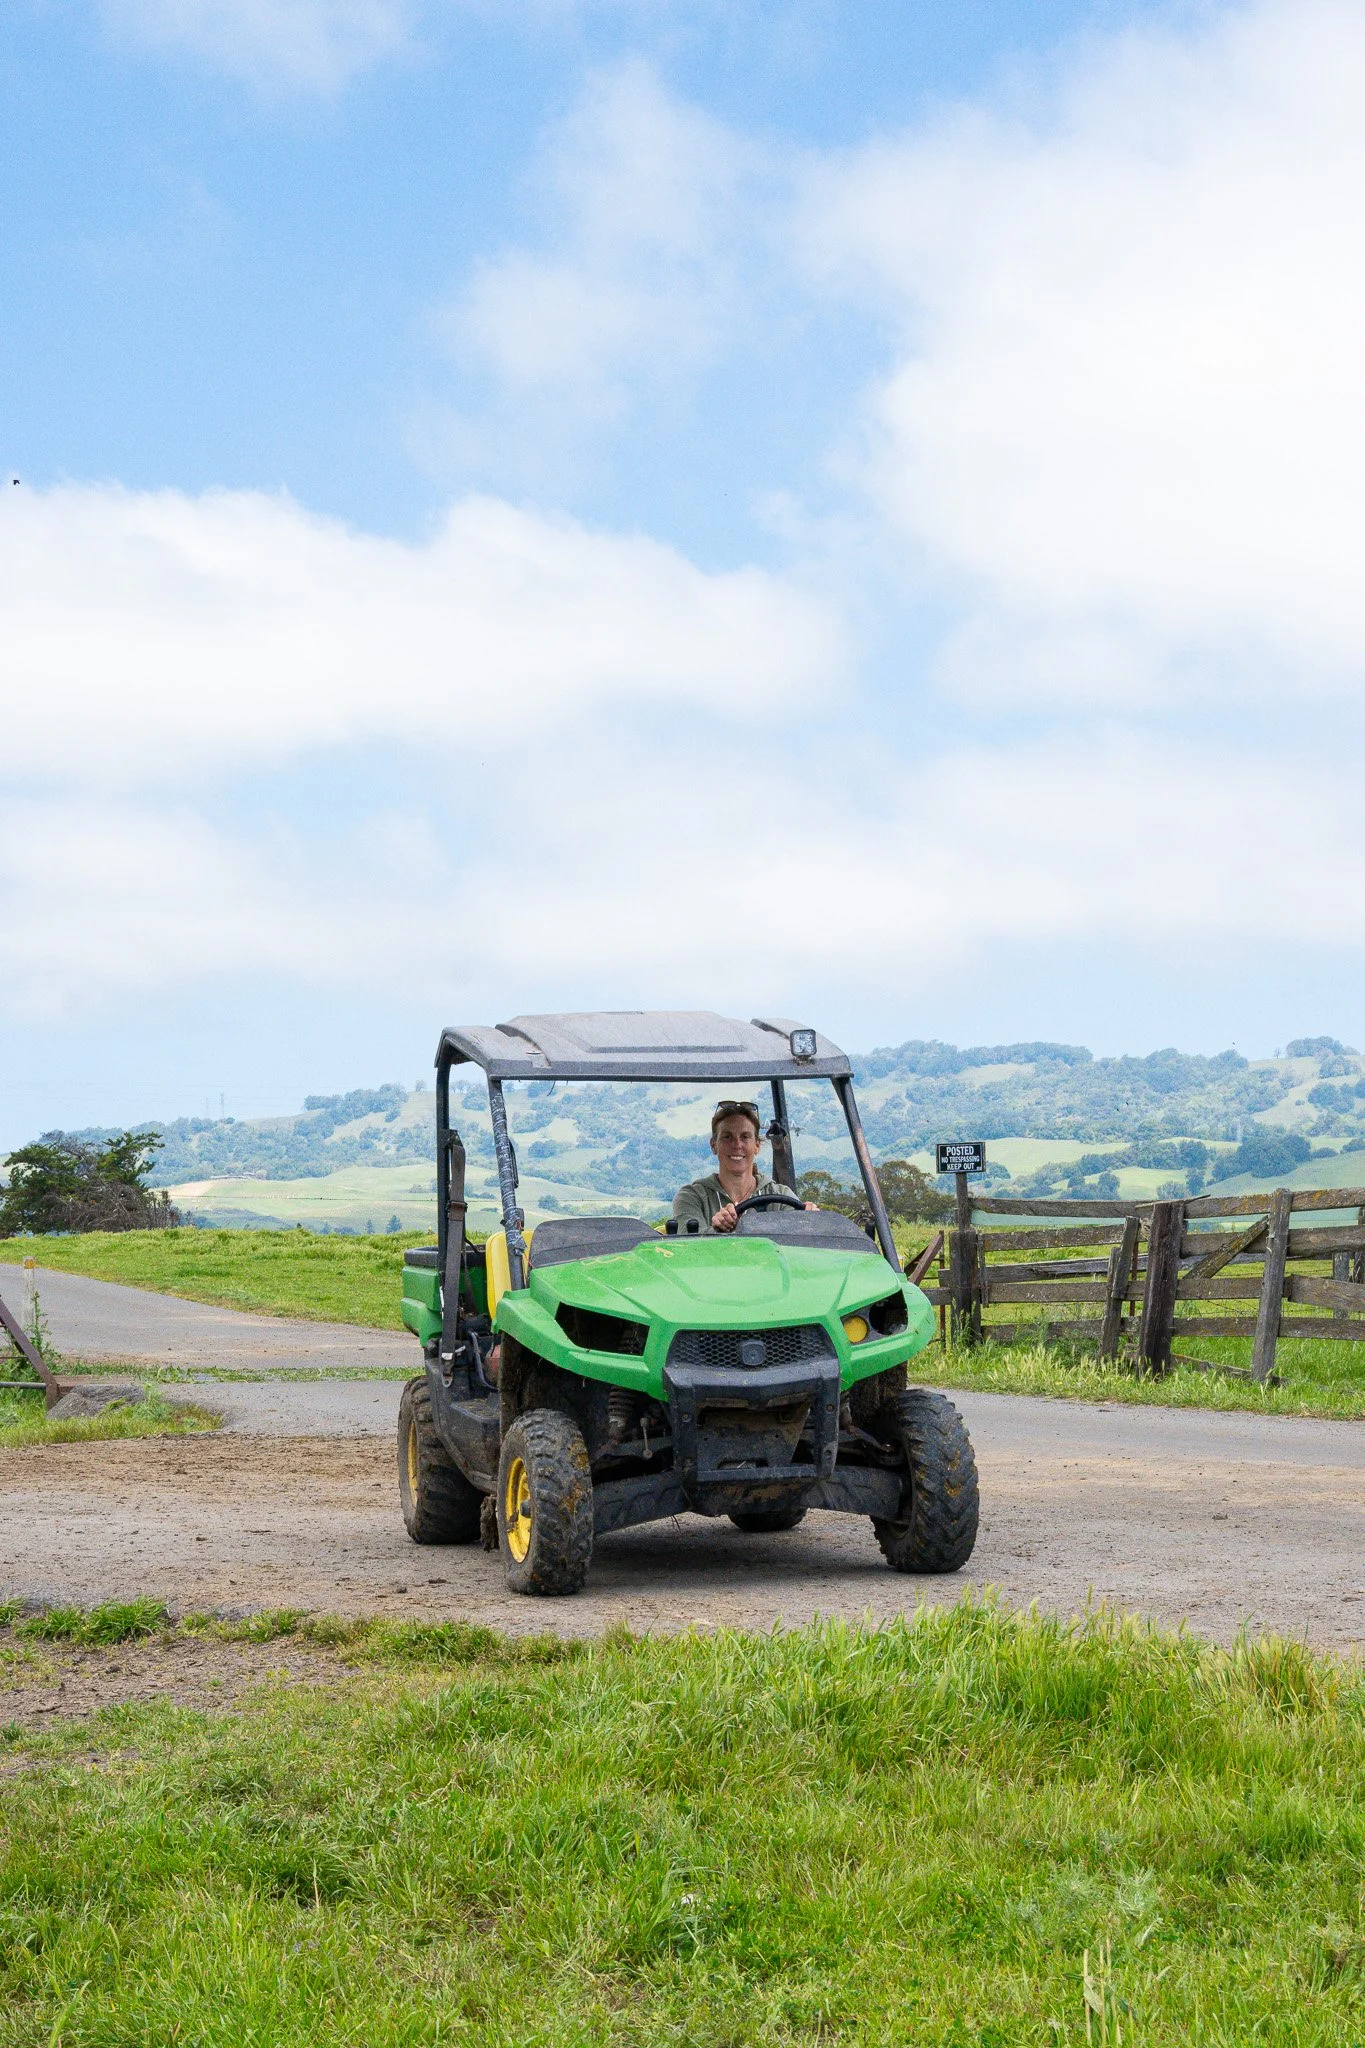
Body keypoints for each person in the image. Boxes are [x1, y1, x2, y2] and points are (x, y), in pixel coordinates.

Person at [673, 1100, 814, 1234]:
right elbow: (688, 1245)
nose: (737, 1145)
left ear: (757, 1145)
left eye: (745, 1137)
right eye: (727, 1137)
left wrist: (811, 1220)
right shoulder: (692, 1197)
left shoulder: (779, 1195)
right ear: (714, 1145)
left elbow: (799, 1238)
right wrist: (718, 1230)